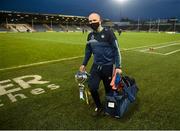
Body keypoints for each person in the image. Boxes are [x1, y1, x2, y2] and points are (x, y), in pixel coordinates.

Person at [79, 12, 122, 116]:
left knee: (109, 90)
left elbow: (116, 50)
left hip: (108, 67)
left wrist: (118, 66)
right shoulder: (90, 36)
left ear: (100, 20)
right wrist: (84, 64)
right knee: (92, 87)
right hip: (96, 66)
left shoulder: (109, 33)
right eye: (90, 21)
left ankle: (109, 107)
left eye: (94, 20)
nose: (92, 22)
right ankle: (99, 106)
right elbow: (88, 52)